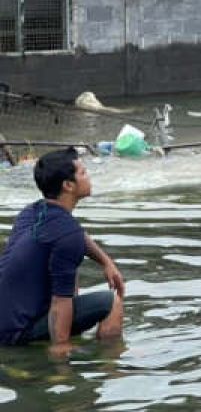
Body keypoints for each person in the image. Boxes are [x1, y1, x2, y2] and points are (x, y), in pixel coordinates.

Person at [0, 148, 125, 356]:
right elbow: (60, 302)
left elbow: (76, 236)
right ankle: (109, 359)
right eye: (83, 173)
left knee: (68, 270)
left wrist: (106, 262)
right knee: (112, 302)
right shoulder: (67, 235)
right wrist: (61, 351)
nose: (89, 177)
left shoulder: (31, 212)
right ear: (68, 186)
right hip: (17, 334)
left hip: (5, 320)